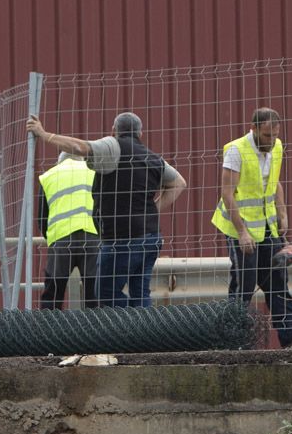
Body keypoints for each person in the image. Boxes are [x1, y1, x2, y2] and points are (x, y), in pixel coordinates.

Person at [26, 112, 187, 307]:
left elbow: (79, 147)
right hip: (151, 237)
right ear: (140, 133)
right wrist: (152, 210)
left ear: (114, 131)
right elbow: (179, 183)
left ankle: (137, 320)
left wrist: (44, 134)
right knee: (140, 293)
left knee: (103, 294)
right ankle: (144, 330)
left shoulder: (112, 147)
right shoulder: (153, 158)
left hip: (122, 238)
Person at [211, 108, 292, 350]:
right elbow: (227, 193)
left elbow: (274, 181)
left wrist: (283, 212)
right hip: (242, 226)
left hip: (268, 226)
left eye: (275, 134)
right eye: (267, 135)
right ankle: (235, 343)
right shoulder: (236, 150)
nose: (272, 140)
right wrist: (242, 232)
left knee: (278, 282)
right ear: (254, 128)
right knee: (244, 286)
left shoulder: (277, 147)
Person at [37, 151, 100, 310]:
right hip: (92, 238)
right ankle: (97, 331)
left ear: (60, 162)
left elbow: (41, 218)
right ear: (81, 159)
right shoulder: (94, 172)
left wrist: (52, 237)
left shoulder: (49, 176)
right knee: (94, 292)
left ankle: (47, 329)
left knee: (53, 292)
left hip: (61, 240)